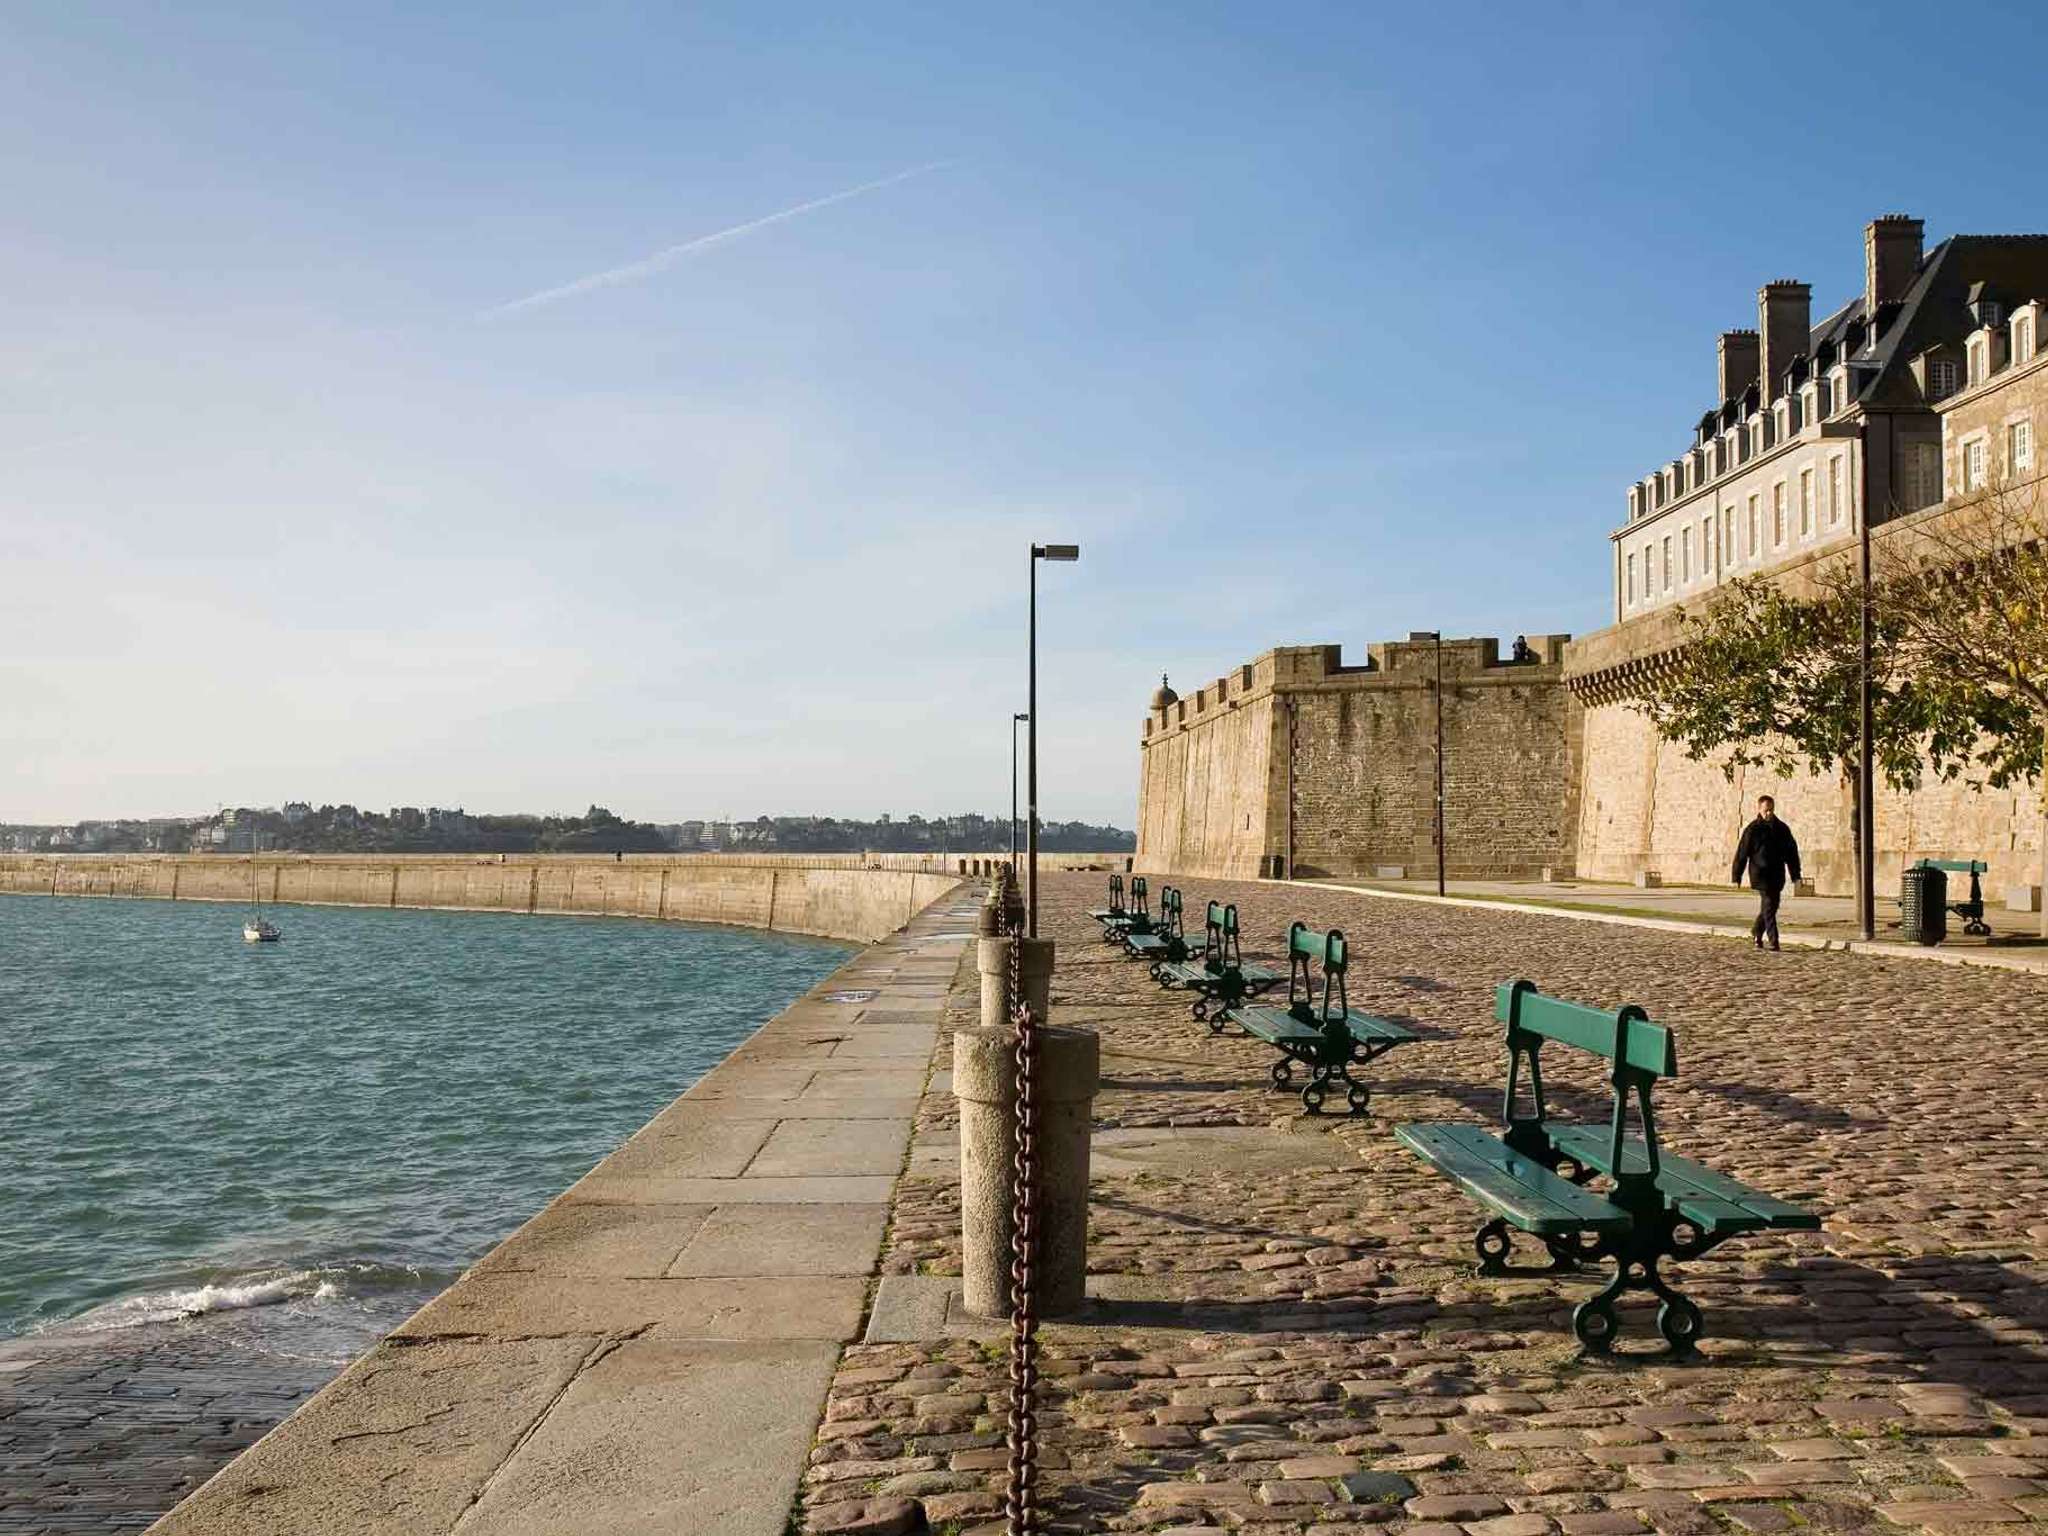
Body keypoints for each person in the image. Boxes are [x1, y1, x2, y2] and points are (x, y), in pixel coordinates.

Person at [1730, 795, 1801, 951]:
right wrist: (1736, 876)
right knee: (1769, 905)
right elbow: (1742, 853)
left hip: (1777, 874)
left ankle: (1756, 931)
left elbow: (1791, 853)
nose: (1768, 813)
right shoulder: (1752, 829)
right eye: (1766, 810)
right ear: (1759, 809)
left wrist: (1795, 875)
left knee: (1772, 906)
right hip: (1760, 874)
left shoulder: (1782, 829)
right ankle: (1774, 941)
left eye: (1771, 810)